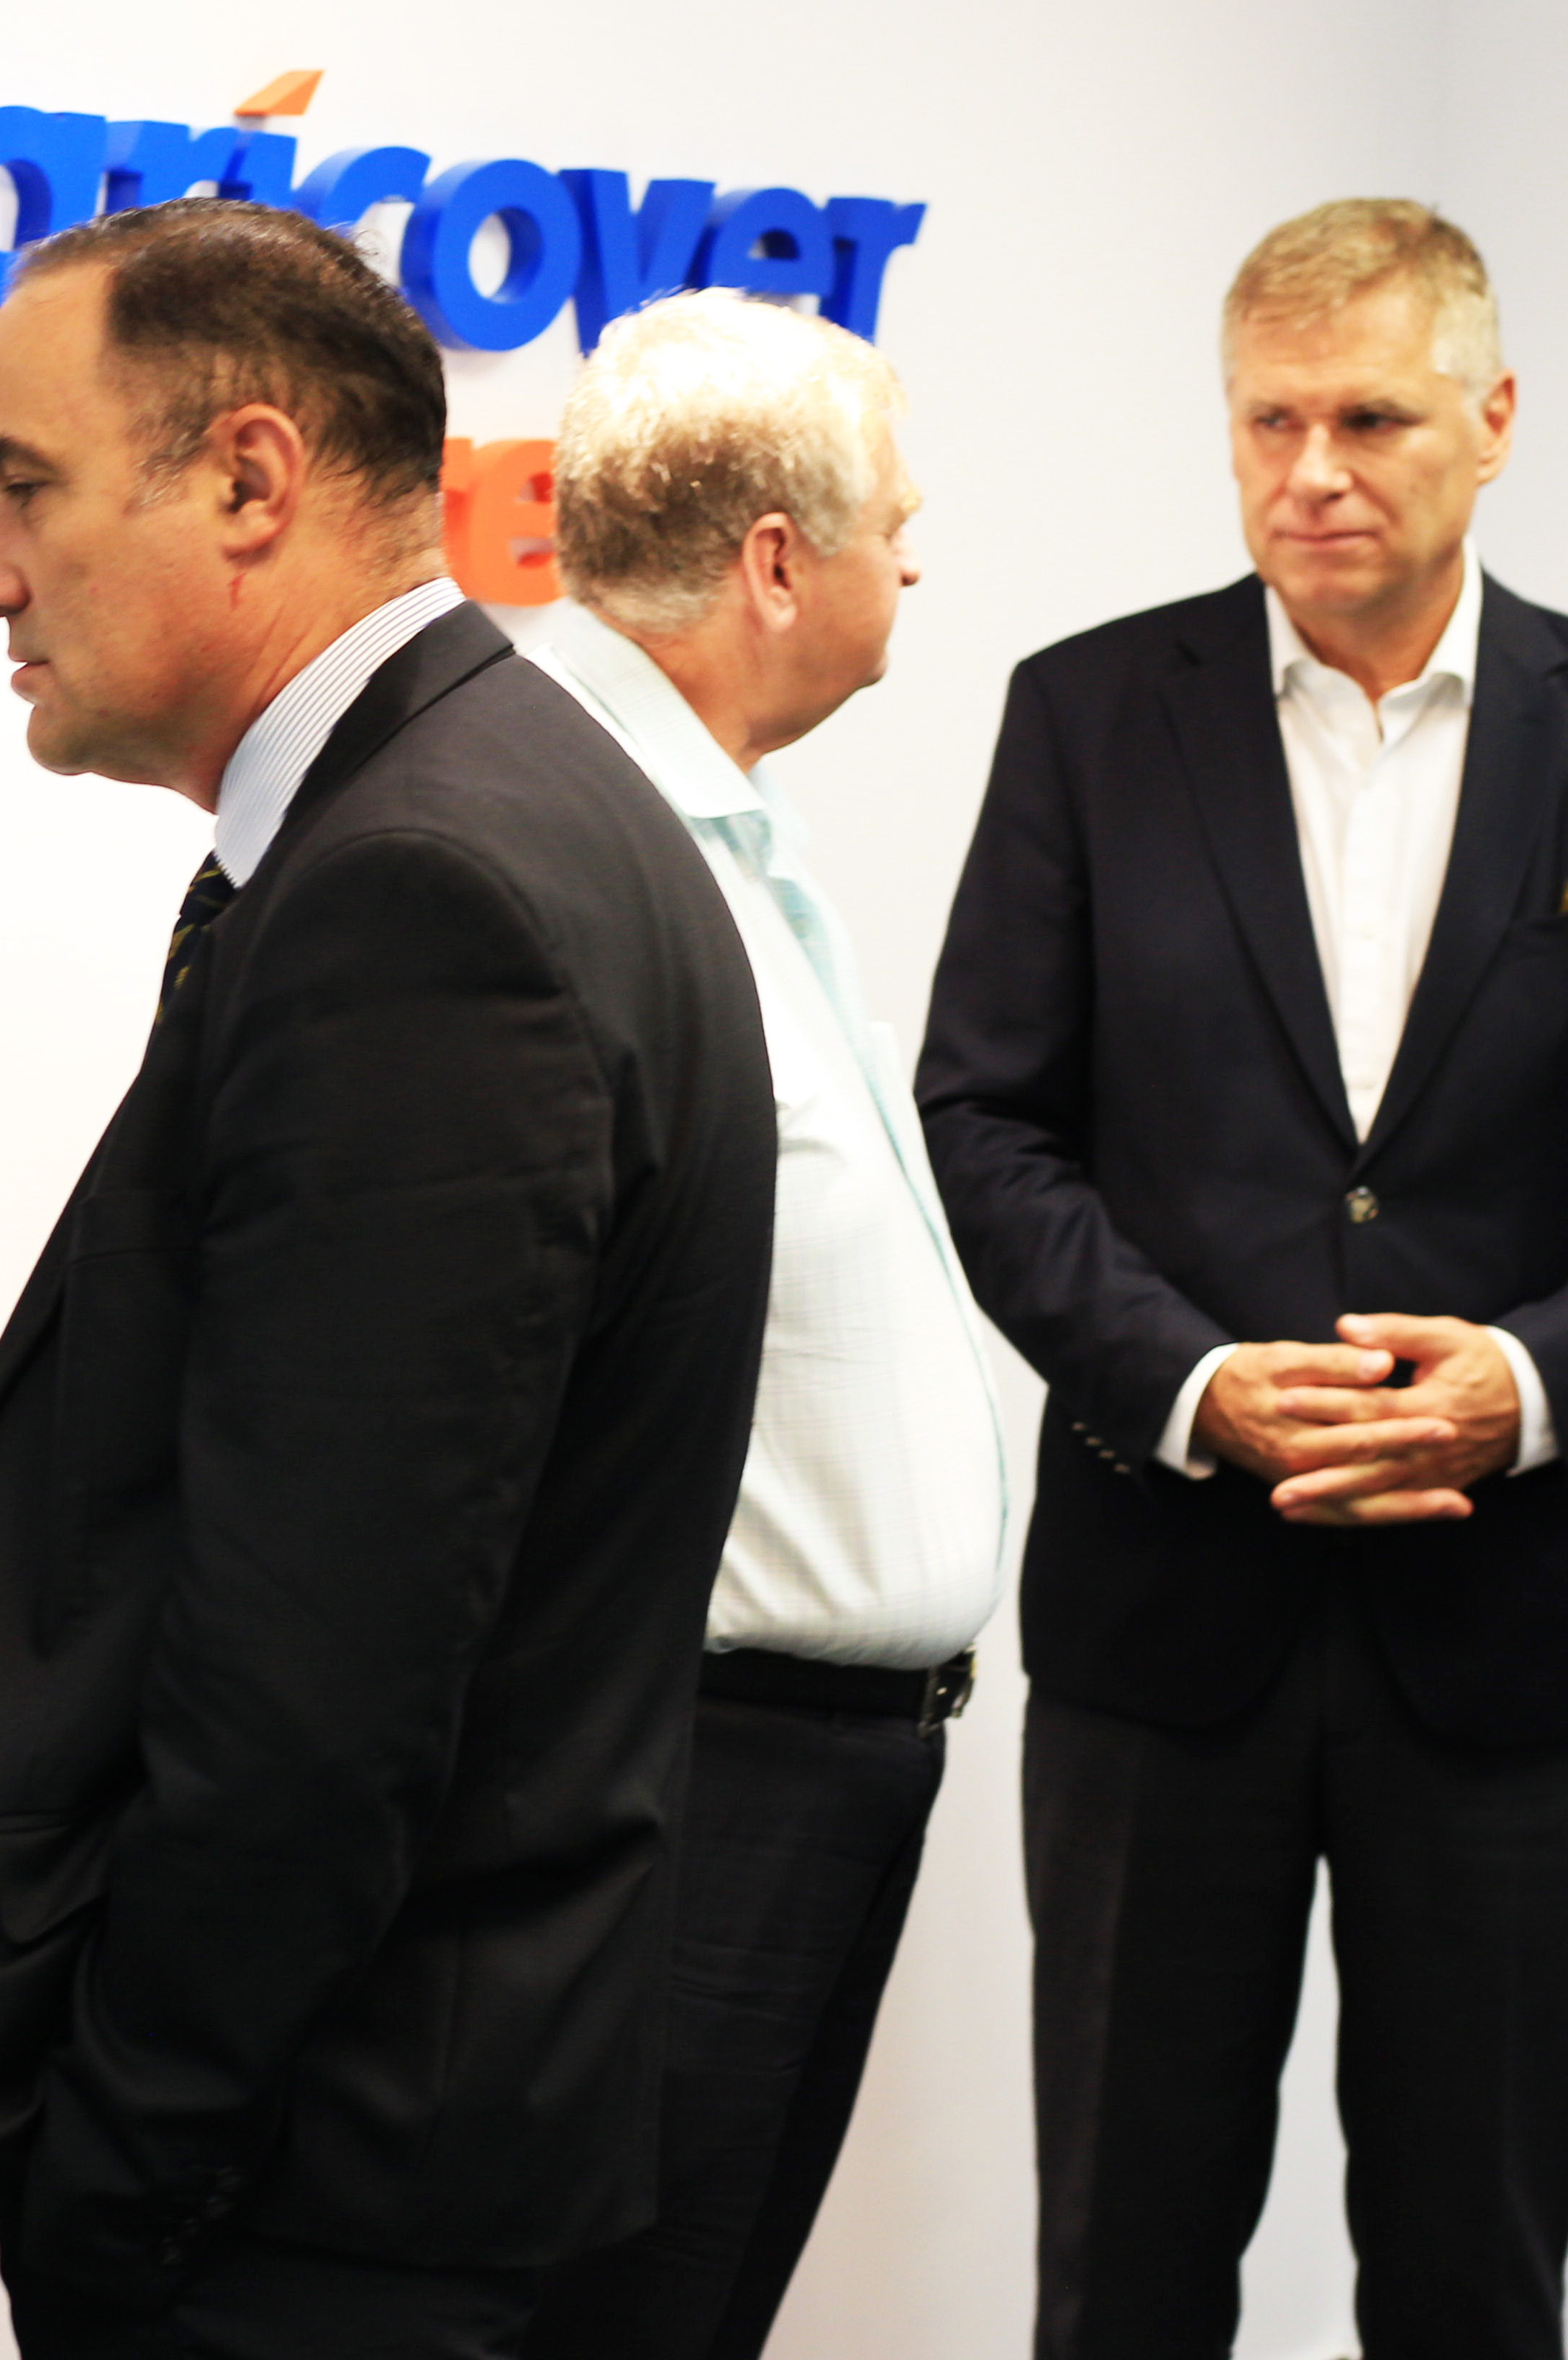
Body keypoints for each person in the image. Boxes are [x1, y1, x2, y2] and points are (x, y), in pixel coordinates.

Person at [0, 199, 780, 2360]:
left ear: (247, 478)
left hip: (326, 2191)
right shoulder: (479, 806)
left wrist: (121, 2182)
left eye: (23, 487)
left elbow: (321, 1688)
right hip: (383, 2145)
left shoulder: (421, 891)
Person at [916, 200, 1568, 2359]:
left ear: (1491, 420)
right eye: (1268, 423)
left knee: (1473, 2277)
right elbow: (986, 1117)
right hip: (1165, 1623)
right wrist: (1187, 1383)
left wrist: (1533, 1381)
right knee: (1121, 2277)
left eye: (1368, 420)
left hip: (1517, 1632)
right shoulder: (1086, 716)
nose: (1310, 472)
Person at [505, 292, 1011, 2360]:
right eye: (901, 521)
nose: (921, 562)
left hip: (803, 1778)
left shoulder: (719, 828)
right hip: (689, 1786)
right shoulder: (568, 848)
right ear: (780, 562)